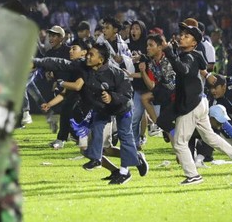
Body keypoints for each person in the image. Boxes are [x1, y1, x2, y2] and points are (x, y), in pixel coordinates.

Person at [34, 42, 148, 185]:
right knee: (96, 133)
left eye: (91, 54)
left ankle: (124, 171)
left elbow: (126, 93)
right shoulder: (83, 67)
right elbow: (60, 63)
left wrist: (112, 97)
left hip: (121, 108)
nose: (87, 56)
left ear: (101, 60)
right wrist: (37, 62)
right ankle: (98, 160)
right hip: (100, 109)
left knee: (124, 137)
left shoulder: (115, 73)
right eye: (87, 53)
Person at [162, 19, 232, 185]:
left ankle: (193, 175)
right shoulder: (192, 55)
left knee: (180, 143)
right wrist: (172, 50)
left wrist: (168, 51)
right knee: (210, 137)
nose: (182, 37)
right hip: (200, 102)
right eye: (181, 35)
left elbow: (183, 69)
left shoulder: (188, 56)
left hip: (191, 104)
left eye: (186, 36)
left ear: (194, 42)